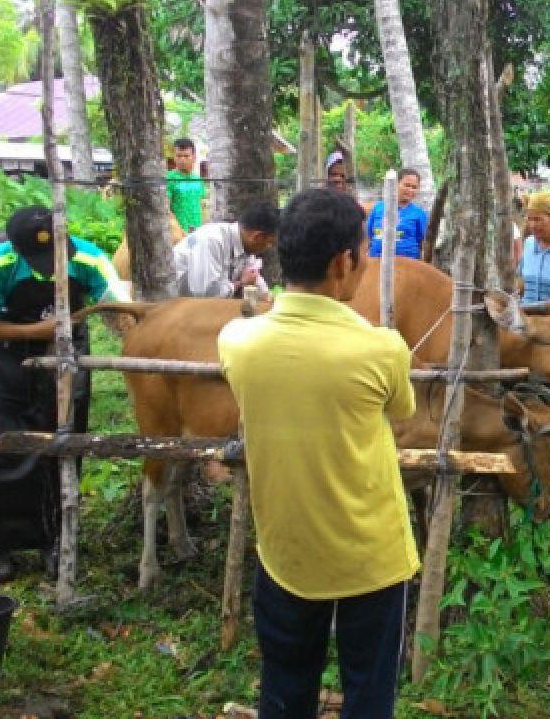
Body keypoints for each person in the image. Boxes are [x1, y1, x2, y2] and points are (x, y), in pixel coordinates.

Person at [218, 188, 417, 719]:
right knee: (369, 694)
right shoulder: (382, 349)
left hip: (286, 549)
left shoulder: (238, 342)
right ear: (342, 262)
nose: (367, 263)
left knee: (285, 685)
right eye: (364, 252)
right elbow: (401, 409)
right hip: (370, 554)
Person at [0, 206, 126, 583]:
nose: (49, 269)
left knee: (59, 450)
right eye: (39, 262)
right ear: (17, 250)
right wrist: (37, 332)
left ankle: (53, 540)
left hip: (66, 364)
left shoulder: (88, 259)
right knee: (3, 448)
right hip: (8, 364)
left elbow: (117, 305)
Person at [172, 202, 278, 299]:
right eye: (270, 242)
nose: (269, 247)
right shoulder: (212, 240)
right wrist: (241, 283)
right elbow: (205, 294)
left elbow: (254, 277)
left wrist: (267, 297)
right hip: (171, 306)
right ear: (257, 237)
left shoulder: (245, 246)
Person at [367, 168, 428, 259]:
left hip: (408, 266)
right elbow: (369, 235)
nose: (410, 190)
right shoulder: (378, 208)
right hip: (376, 262)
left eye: (414, 187)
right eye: (407, 185)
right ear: (396, 184)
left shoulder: (419, 213)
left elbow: (422, 241)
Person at [167, 138, 206, 233]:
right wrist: (178, 231)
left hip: (197, 231)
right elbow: (165, 210)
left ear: (194, 157)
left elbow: (200, 205)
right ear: (174, 157)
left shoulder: (198, 179)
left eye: (186, 156)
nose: (182, 160)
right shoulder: (169, 178)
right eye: (179, 156)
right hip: (177, 234)